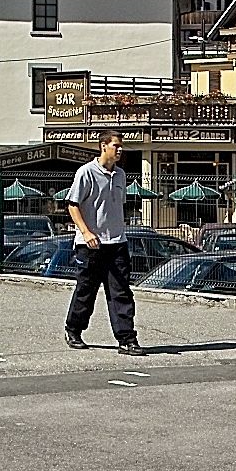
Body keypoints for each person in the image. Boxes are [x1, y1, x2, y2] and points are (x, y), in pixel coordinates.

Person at [63, 133, 142, 355]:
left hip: (117, 242)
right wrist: (86, 232)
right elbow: (72, 205)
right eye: (116, 146)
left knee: (121, 292)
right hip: (91, 244)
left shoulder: (121, 175)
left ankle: (126, 339)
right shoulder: (86, 172)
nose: (120, 150)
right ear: (103, 146)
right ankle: (73, 329)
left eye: (121, 146)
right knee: (86, 290)